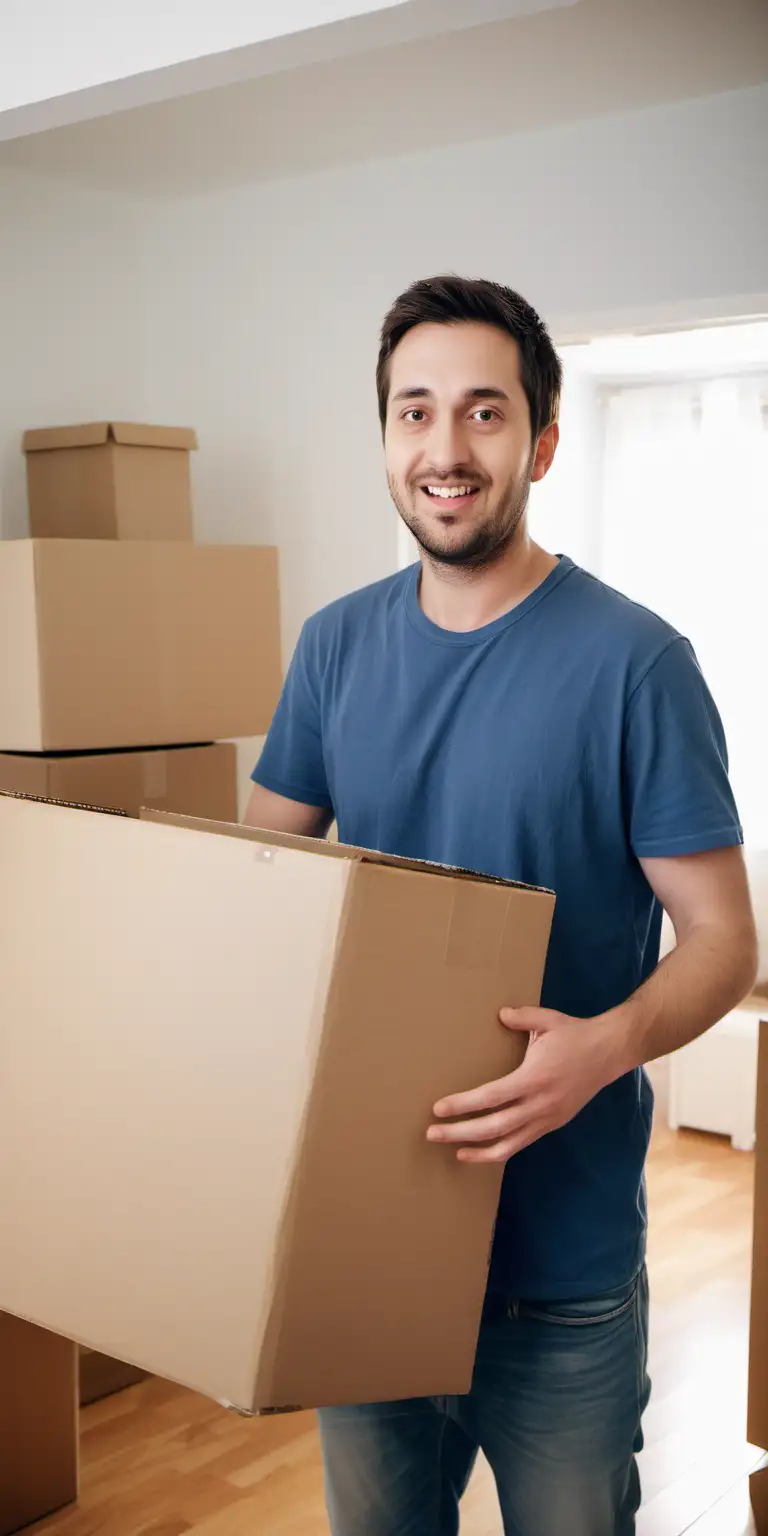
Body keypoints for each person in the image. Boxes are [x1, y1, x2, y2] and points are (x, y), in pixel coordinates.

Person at [244, 275, 757, 1536]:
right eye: (413, 413)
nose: (445, 448)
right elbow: (258, 891)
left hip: (559, 1267)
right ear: (384, 441)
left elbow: (727, 942)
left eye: (482, 412)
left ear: (542, 439)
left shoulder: (636, 664)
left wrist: (607, 1049)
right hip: (365, 1240)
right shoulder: (332, 649)